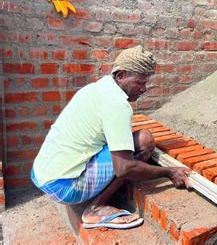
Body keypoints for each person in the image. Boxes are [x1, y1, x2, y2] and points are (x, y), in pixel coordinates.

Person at [31, 45, 190, 229]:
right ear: (121, 75)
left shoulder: (95, 88)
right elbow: (124, 169)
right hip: (64, 188)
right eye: (139, 82)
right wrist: (169, 171)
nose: (144, 89)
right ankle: (96, 208)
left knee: (128, 143)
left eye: (146, 83)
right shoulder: (117, 104)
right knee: (144, 140)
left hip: (41, 174)